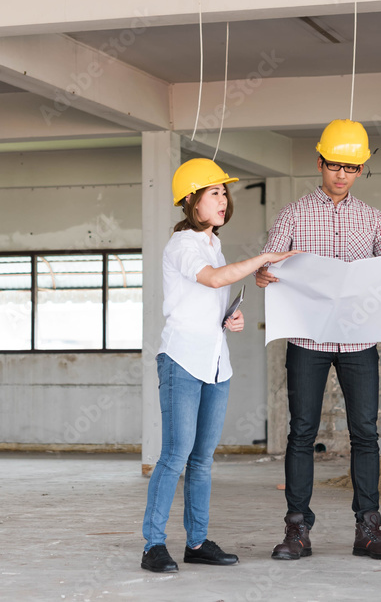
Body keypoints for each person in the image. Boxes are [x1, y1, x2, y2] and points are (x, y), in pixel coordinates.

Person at [141, 158, 299, 573]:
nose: (223, 199)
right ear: (192, 199)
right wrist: (264, 257)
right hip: (181, 361)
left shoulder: (214, 244)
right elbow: (213, 279)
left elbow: (212, 293)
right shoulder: (182, 245)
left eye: (224, 192)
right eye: (214, 192)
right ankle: (153, 545)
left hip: (214, 364)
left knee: (202, 459)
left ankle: (196, 542)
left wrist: (230, 319)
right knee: (175, 455)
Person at [256, 119, 381, 561]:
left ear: (360, 171)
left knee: (366, 434)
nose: (342, 174)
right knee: (301, 432)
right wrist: (265, 274)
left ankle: (369, 529)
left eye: (352, 167)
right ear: (320, 162)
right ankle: (297, 530)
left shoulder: (371, 219)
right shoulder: (293, 215)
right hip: (308, 339)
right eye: (335, 165)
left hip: (359, 340)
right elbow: (270, 265)